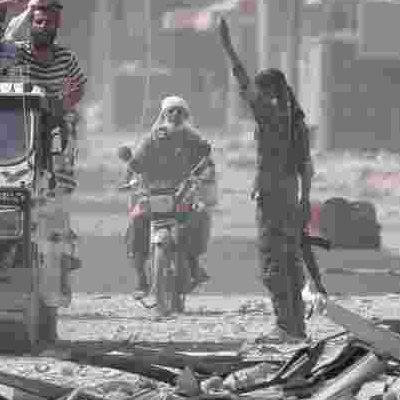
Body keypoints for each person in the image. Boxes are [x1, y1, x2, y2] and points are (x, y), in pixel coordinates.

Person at [218, 17, 314, 341]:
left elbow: (244, 84)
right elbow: (307, 166)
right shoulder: (297, 123)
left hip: (273, 195)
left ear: (271, 92)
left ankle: (285, 326)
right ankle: (297, 326)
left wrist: (229, 48)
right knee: (290, 259)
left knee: (273, 260)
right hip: (290, 194)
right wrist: (305, 200)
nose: (258, 95)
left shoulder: (270, 115)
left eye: (263, 89)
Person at [124, 95, 215, 299]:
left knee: (199, 216)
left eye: (180, 111)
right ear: (164, 114)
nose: (175, 115)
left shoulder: (193, 138)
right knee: (137, 220)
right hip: (152, 193)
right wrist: (128, 178)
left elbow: (206, 162)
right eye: (171, 110)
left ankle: (193, 263)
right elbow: (135, 164)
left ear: (186, 115)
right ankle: (141, 278)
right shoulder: (152, 138)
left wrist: (205, 175)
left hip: (183, 192)